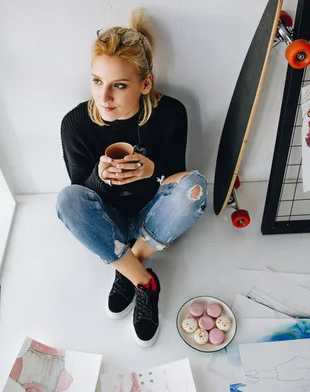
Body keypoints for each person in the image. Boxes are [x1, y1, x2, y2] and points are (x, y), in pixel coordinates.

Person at [56, 9, 207, 347]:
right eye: (97, 81)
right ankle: (143, 280)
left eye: (119, 86)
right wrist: (100, 176)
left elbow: (179, 180)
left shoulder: (171, 113)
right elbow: (81, 197)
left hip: (152, 221)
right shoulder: (75, 124)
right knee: (65, 200)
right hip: (110, 222)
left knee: (197, 188)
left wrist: (152, 170)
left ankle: (126, 263)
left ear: (145, 84)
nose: (104, 98)